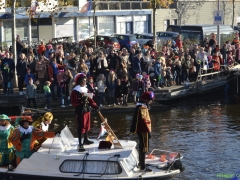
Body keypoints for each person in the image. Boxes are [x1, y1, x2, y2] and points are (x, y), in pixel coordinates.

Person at [70, 73, 98, 152]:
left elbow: (90, 100)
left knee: (86, 125)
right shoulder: (75, 91)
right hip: (80, 110)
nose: (84, 82)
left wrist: (95, 106)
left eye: (85, 81)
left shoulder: (87, 89)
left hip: (87, 110)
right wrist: (80, 101)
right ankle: (80, 144)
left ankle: (85, 139)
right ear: (79, 81)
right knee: (81, 126)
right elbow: (73, 102)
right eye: (83, 81)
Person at [130, 91, 154, 172]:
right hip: (143, 130)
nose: (151, 101)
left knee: (142, 146)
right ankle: (143, 166)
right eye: (150, 100)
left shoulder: (140, 105)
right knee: (144, 147)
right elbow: (144, 120)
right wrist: (148, 131)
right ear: (147, 100)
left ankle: (141, 163)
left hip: (141, 129)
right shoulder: (142, 107)